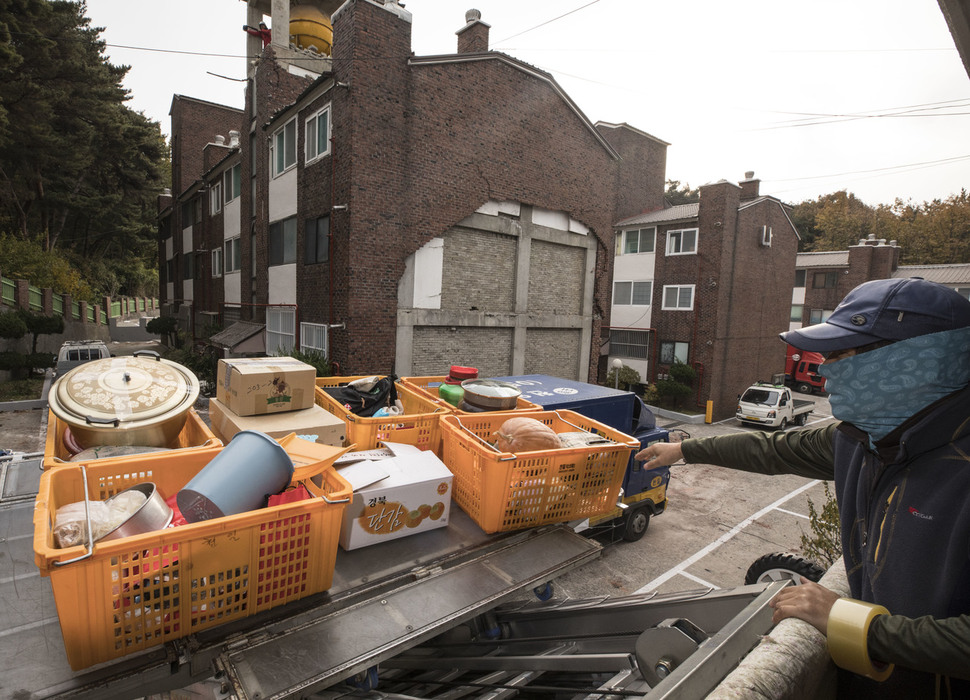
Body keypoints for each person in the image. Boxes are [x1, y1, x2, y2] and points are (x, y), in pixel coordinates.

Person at [636, 277, 970, 699]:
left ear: (918, 359)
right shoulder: (859, 439)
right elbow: (773, 449)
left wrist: (857, 625)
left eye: (843, 354)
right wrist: (685, 450)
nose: (825, 368)